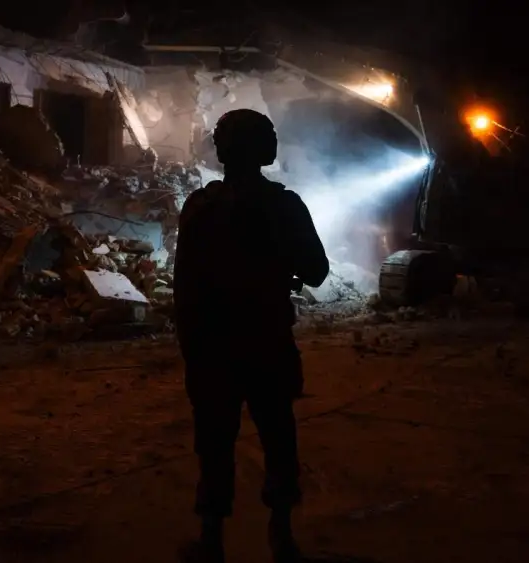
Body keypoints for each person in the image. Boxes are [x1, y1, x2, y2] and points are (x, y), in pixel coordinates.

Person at [173, 109, 329, 563]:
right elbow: (317, 273)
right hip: (267, 341)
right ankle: (281, 537)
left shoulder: (200, 207)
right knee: (278, 437)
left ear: (221, 149)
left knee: (214, 442)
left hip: (213, 348)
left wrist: (192, 352)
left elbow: (185, 290)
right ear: (266, 149)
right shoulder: (285, 205)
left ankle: (211, 540)